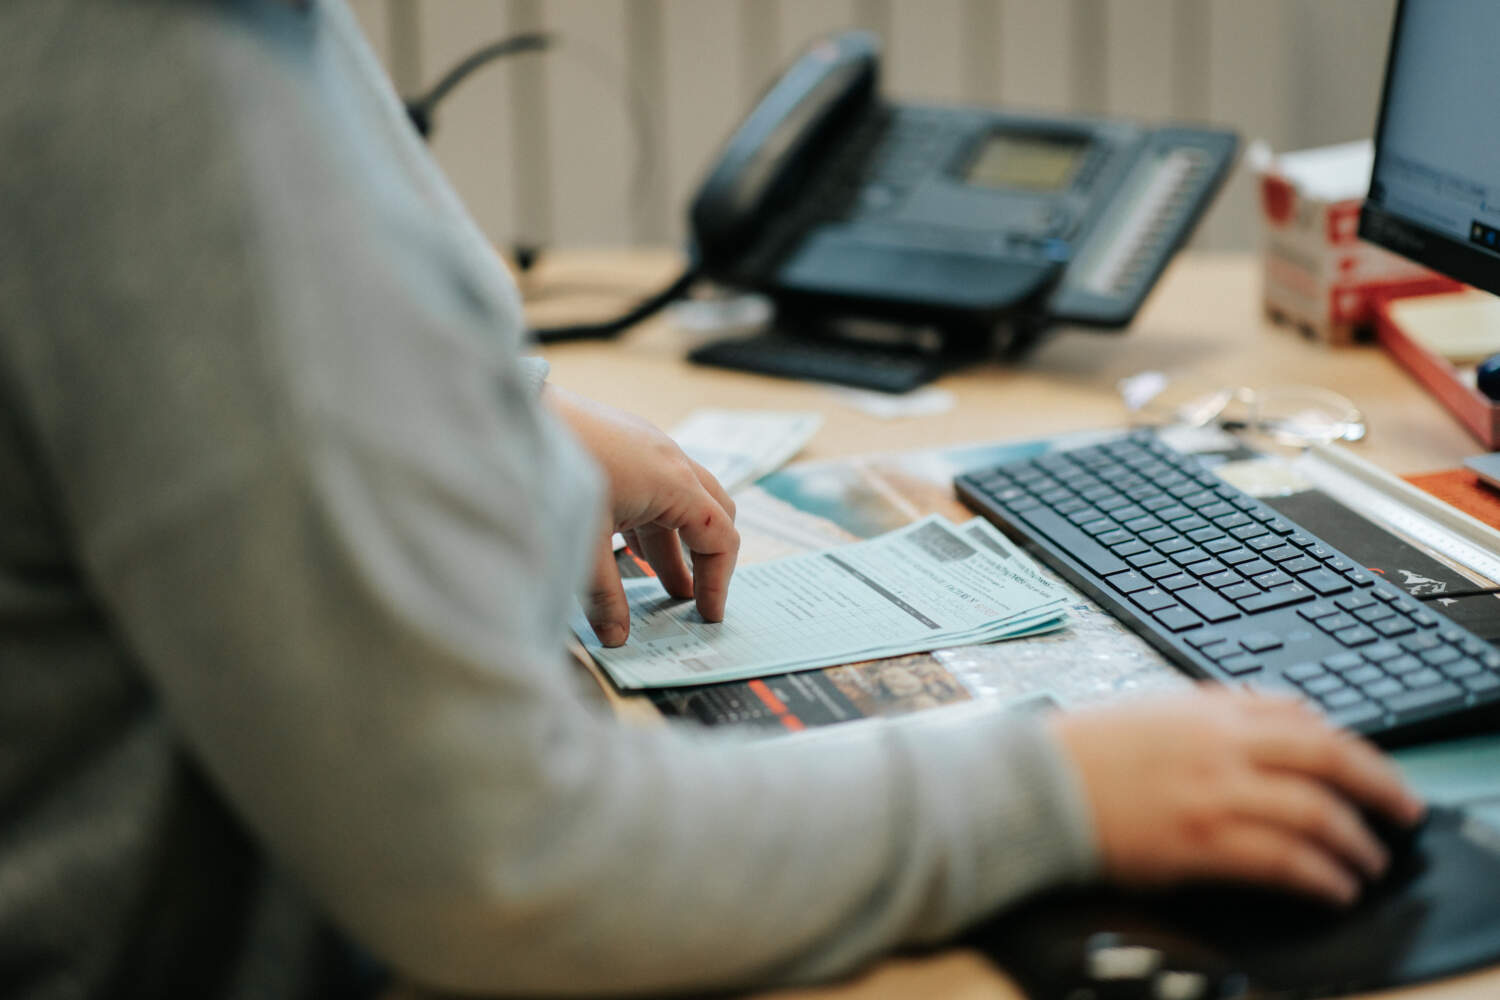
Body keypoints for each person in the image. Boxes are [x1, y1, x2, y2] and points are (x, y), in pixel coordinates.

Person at [0, 1, 1424, 997]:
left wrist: (520, 422)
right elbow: (506, 863)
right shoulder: (153, 72)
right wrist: (1060, 793)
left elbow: (262, 357)